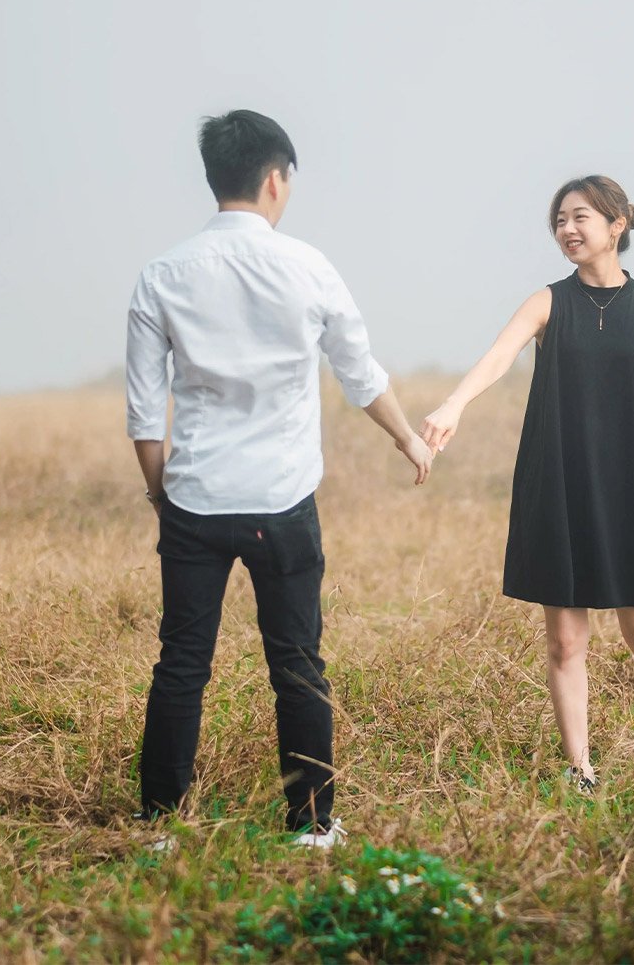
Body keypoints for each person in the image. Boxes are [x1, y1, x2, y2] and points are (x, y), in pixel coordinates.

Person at [126, 109, 433, 849]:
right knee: (296, 662)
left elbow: (144, 413)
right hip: (284, 502)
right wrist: (408, 438)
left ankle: (159, 823)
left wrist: (162, 495)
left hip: (196, 499)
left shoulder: (162, 274)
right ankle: (310, 824)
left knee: (182, 662)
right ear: (274, 180)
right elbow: (361, 377)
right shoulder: (309, 267)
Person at [420, 175, 634, 790]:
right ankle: (581, 771)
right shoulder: (547, 302)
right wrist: (454, 404)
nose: (567, 230)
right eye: (559, 221)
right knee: (565, 641)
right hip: (562, 481)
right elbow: (499, 356)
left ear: (616, 225)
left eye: (580, 217)